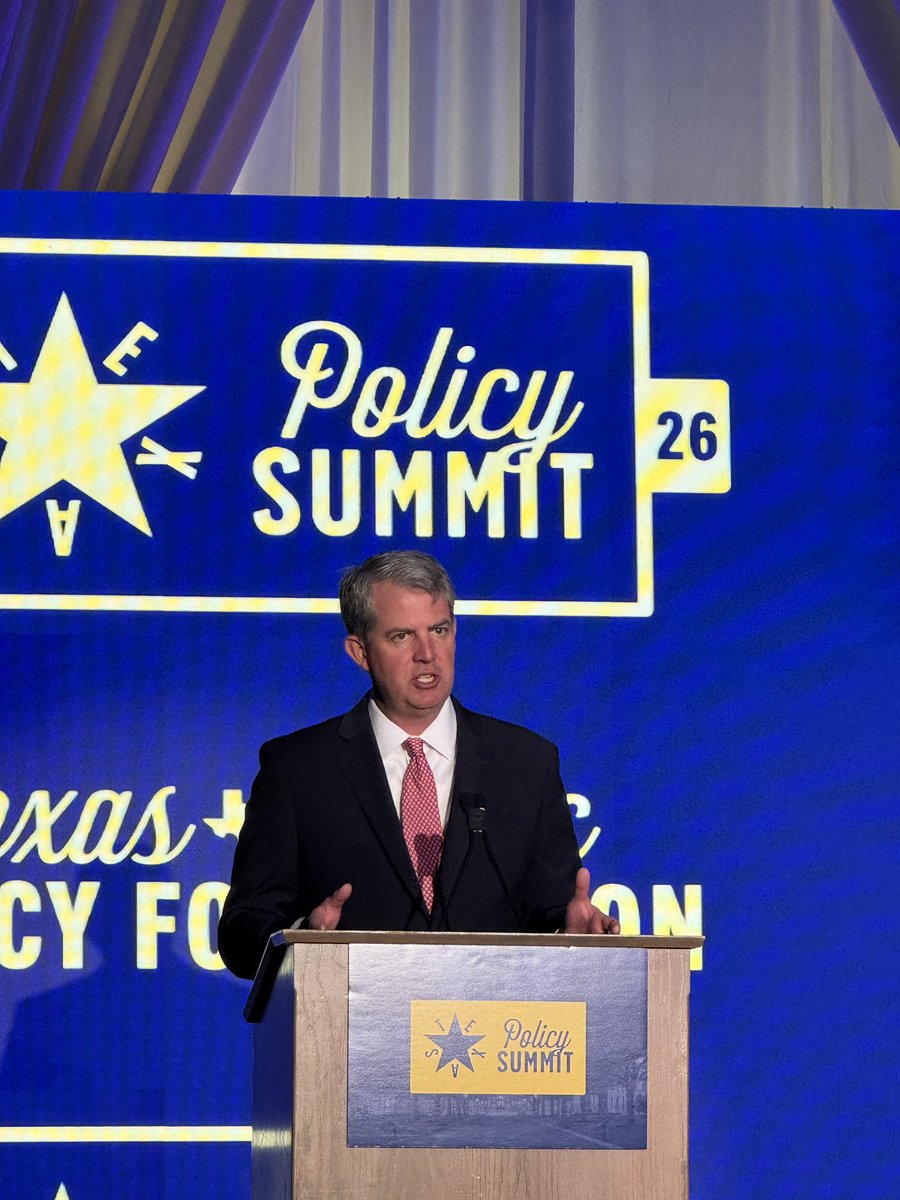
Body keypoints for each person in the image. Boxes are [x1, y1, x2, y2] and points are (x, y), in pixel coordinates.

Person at [218, 550, 619, 980]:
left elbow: (553, 907)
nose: (427, 653)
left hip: (496, 1027)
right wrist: (304, 942)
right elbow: (241, 933)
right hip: (352, 1029)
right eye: (402, 636)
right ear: (360, 652)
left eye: (439, 630)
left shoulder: (526, 762)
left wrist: (572, 933)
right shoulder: (298, 769)